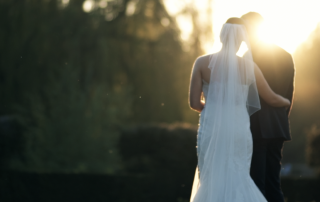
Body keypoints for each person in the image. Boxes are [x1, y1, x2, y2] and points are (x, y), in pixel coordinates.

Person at [188, 17, 290, 202]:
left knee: (211, 176)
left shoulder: (202, 63)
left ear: (221, 36)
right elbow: (271, 98)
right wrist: (286, 101)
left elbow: (194, 103)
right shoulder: (249, 67)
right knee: (238, 175)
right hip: (238, 129)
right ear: (242, 39)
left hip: (212, 129)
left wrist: (214, 109)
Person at [241, 12, 295, 202]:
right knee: (274, 183)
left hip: (255, 128)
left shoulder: (247, 58)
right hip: (278, 128)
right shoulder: (287, 56)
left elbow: (243, 97)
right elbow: (288, 96)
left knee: (256, 184)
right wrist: (278, 119)